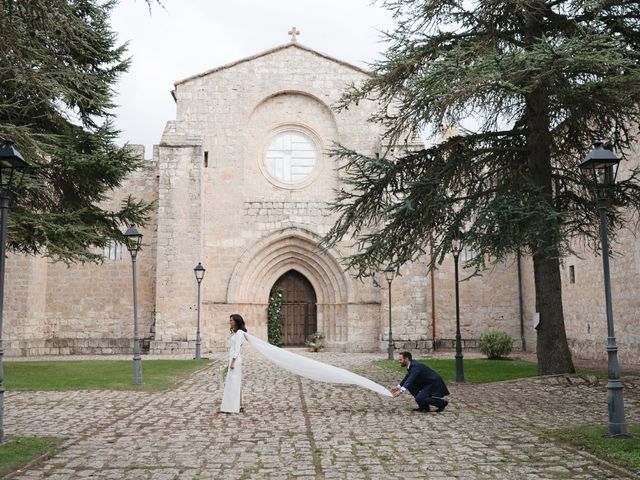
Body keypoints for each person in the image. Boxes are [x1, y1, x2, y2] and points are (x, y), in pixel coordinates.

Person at [220, 313, 247, 414]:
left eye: (231, 320)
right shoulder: (235, 333)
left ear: (236, 321)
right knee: (234, 382)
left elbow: (237, 349)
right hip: (232, 359)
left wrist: (233, 362)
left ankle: (233, 406)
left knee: (234, 382)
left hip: (235, 360)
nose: (229, 322)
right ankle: (240, 404)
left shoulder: (240, 333)